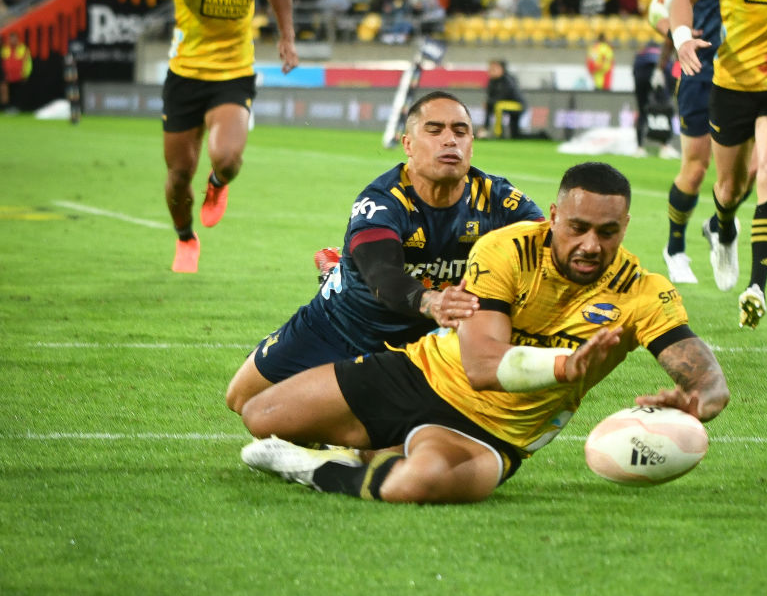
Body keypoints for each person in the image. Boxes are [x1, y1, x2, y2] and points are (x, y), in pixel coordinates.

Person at [238, 162, 730, 504]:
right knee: (262, 415)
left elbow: (703, 375)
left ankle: (320, 468)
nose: (590, 245)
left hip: (494, 434)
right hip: (421, 374)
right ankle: (370, 451)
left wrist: (699, 401)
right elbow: (481, 365)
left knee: (419, 483)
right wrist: (566, 367)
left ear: (625, 225)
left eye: (607, 232)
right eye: (577, 227)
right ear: (553, 216)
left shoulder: (643, 292)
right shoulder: (506, 249)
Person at [225, 91, 545, 415]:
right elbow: (383, 276)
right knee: (243, 400)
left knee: (390, 436)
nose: (450, 140)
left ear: (471, 144)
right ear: (408, 144)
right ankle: (336, 275)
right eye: (435, 130)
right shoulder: (381, 201)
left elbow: (551, 251)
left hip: (424, 344)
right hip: (343, 325)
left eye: (460, 131)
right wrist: (431, 302)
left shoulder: (501, 202)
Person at [670, 0, 767, 329]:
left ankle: (756, 288)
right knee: (730, 189)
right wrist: (681, 38)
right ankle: (722, 229)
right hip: (733, 84)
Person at [160, 0, 298, 274]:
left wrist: (287, 37)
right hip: (185, 76)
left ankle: (217, 183)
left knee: (227, 160)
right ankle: (185, 237)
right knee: (179, 173)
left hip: (233, 76)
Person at [647, 0, 726, 285]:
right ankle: (675, 248)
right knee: (695, 169)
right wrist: (679, 35)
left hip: (748, 75)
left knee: (755, 168)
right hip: (700, 73)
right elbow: (656, 9)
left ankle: (718, 224)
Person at [483, 59, 527, 139]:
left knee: (499, 106)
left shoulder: (508, 80)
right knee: (491, 105)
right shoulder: (492, 81)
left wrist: (490, 102)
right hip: (504, 104)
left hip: (518, 105)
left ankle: (498, 134)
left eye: (494, 69)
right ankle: (485, 130)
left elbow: (502, 97)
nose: (490, 71)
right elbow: (491, 98)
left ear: (501, 69)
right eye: (490, 69)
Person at [1, 31, 31, 111]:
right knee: (7, 93)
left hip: (19, 76)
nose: (13, 40)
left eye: (14, 38)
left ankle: (17, 108)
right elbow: (3, 62)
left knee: (18, 93)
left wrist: (25, 74)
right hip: (7, 76)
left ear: (18, 39)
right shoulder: (5, 48)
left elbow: (28, 63)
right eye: (11, 38)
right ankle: (7, 108)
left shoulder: (23, 48)